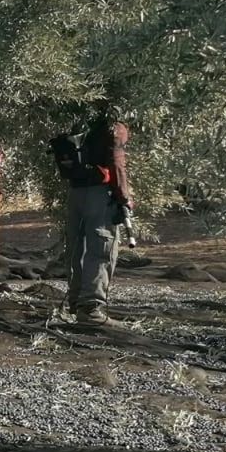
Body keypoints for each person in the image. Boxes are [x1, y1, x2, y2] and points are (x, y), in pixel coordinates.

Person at [60, 111, 132, 325]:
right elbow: (117, 164)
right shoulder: (113, 127)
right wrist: (124, 197)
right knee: (101, 248)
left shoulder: (82, 121)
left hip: (76, 193)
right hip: (100, 194)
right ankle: (90, 308)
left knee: (76, 248)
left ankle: (76, 302)